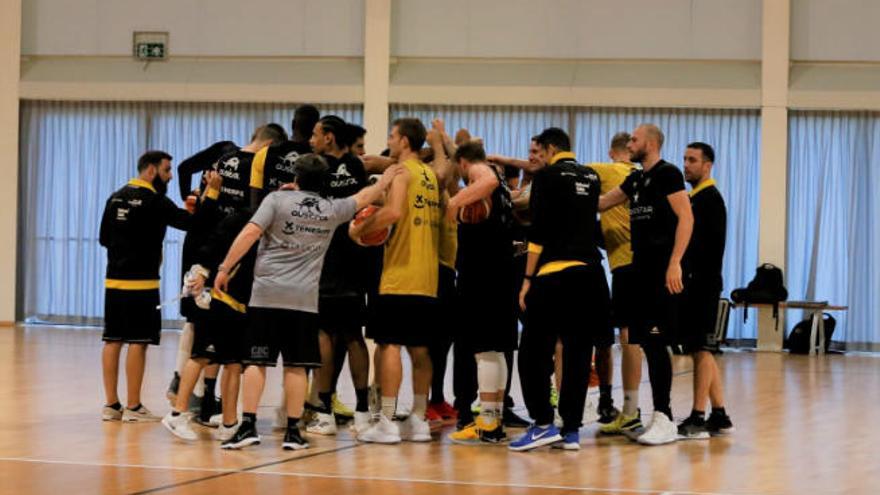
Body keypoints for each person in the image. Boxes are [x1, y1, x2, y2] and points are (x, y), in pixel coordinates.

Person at [218, 155, 401, 450]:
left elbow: (251, 232)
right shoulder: (332, 209)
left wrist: (225, 268)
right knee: (297, 366)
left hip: (266, 294)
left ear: (297, 177)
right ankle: (293, 432)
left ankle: (248, 425)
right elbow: (366, 196)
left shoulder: (276, 200)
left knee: (256, 361)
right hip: (303, 300)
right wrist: (389, 175)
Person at [509, 128, 611, 452]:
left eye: (540, 149)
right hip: (592, 275)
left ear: (551, 148)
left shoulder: (547, 177)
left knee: (531, 353)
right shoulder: (591, 177)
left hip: (556, 274)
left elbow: (538, 233)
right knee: (579, 353)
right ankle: (571, 430)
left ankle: (541, 423)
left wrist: (527, 280)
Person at [100, 151, 215, 422]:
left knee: (112, 339)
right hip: (143, 283)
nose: (171, 175)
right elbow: (193, 224)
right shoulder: (155, 200)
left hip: (113, 281)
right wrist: (209, 195)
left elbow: (104, 238)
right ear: (151, 171)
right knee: (138, 342)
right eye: (167, 170)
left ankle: (110, 405)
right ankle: (134, 406)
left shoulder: (115, 196)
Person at [599, 124, 694, 446]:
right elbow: (601, 203)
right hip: (638, 270)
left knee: (656, 344)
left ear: (650, 144)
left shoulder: (668, 174)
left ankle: (664, 417)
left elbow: (686, 217)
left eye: (635, 140)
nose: (630, 144)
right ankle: (651, 416)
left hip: (659, 272)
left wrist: (675, 262)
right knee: (642, 341)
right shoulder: (636, 179)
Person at [349, 118, 441, 444]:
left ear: (403, 141)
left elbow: (394, 213)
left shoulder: (402, 173)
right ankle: (418, 420)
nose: (389, 140)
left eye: (391, 135)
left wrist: (359, 229)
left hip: (400, 274)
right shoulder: (429, 175)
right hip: (427, 276)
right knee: (420, 350)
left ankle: (386, 422)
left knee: (389, 344)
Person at [446, 140, 518, 445]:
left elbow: (483, 179)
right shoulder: (501, 182)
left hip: (482, 276)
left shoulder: (484, 177)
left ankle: (487, 422)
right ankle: (494, 418)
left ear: (463, 163)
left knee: (484, 349)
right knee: (496, 350)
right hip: (502, 275)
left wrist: (453, 204)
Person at [305, 116, 372, 435]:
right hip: (356, 257)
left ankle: (325, 412)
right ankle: (362, 411)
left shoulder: (317, 170)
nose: (311, 140)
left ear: (329, 138)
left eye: (316, 135)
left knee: (324, 335)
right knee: (354, 336)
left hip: (325, 258)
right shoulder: (357, 167)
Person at [585, 132, 644, 432]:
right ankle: (624, 405)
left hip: (626, 264)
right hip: (642, 262)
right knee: (636, 338)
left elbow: (569, 173)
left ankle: (631, 410)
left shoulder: (611, 170)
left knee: (628, 336)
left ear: (612, 151)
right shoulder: (641, 175)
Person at [677, 142, 734, 439]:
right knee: (702, 348)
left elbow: (706, 248)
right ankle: (720, 412)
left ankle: (698, 415)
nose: (686, 164)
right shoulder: (693, 198)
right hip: (697, 283)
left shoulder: (709, 199)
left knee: (702, 349)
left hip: (703, 284)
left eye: (693, 160)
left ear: (707, 165)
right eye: (685, 159)